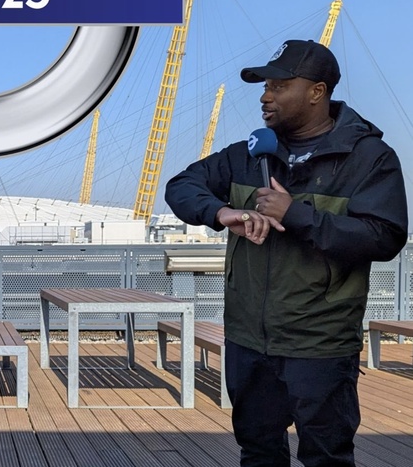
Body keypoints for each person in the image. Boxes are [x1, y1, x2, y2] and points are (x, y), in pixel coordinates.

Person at [164, 39, 407, 467]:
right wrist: (222, 213)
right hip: (247, 340)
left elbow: (384, 236)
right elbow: (181, 186)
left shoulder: (368, 158)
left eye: (278, 85)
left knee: (327, 456)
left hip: (321, 344)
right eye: (264, 86)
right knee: (257, 452)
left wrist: (298, 215)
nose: (265, 95)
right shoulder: (247, 154)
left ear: (317, 91)